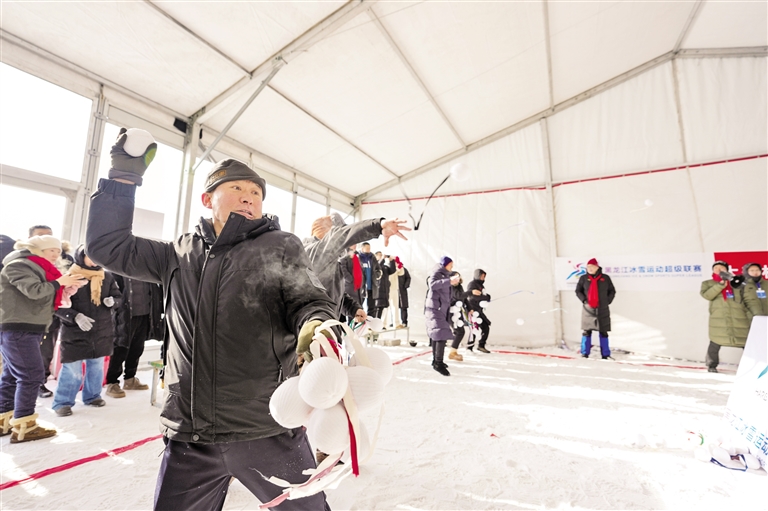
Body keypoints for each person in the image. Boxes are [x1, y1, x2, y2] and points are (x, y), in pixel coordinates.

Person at [86, 129, 338, 510]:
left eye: (256, 193)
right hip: (191, 435)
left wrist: (315, 324)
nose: (249, 197)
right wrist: (123, 176)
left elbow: (308, 298)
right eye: (237, 188)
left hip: (266, 427)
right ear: (208, 199)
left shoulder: (281, 245)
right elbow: (108, 247)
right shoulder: (176, 254)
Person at [0, 235, 86, 442]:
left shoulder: (41, 268)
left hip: (27, 327)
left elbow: (44, 295)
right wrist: (59, 282)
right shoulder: (19, 265)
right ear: (37, 249)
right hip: (19, 327)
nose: (56, 254)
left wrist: (66, 287)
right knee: (31, 375)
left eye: (58, 250)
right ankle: (25, 427)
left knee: (12, 374)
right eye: (51, 250)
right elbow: (34, 291)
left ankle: (4, 419)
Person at [303, 214, 410, 328]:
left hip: (326, 327)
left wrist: (353, 309)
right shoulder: (313, 252)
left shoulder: (331, 260)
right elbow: (341, 236)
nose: (347, 246)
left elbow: (334, 295)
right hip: (312, 329)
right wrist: (378, 226)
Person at [52, 246, 121, 416]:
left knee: (96, 367)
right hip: (75, 331)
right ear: (81, 257)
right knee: (72, 370)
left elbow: (119, 297)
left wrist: (113, 301)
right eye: (91, 256)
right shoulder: (70, 276)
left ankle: (92, 396)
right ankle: (62, 402)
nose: (95, 260)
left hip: (101, 330)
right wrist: (75, 316)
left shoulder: (107, 276)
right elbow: (57, 304)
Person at [28, 225, 76, 398]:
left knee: (46, 351)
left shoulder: (63, 260)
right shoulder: (24, 262)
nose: (45, 240)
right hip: (27, 316)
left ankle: (40, 384)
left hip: (53, 314)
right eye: (40, 236)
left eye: (49, 236)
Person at [106, 275, 164, 398]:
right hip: (124, 316)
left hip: (145, 314)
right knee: (120, 349)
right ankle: (112, 382)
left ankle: (130, 379)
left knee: (137, 349)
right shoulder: (117, 270)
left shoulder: (146, 270)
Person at [701, 261, 749, 373]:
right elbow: (707, 295)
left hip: (738, 317)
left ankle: (751, 364)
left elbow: (746, 297)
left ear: (727, 270)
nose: (718, 270)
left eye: (721, 268)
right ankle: (711, 365)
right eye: (716, 268)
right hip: (719, 318)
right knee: (715, 341)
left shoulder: (736, 282)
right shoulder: (707, 283)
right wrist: (720, 285)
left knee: (746, 342)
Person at [425, 257, 461, 376]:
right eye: (450, 264)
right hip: (435, 309)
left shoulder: (445, 274)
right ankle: (438, 363)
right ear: (444, 264)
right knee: (440, 335)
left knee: (438, 335)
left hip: (442, 309)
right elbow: (432, 285)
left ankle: (436, 360)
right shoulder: (436, 273)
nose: (452, 267)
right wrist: (449, 281)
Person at [575, 259, 615, 359]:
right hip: (588, 309)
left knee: (603, 331)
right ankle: (585, 353)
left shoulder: (605, 278)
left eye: (592, 267)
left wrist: (607, 301)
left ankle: (605, 354)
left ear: (597, 267)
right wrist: (584, 300)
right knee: (587, 331)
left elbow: (612, 291)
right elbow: (578, 291)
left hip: (602, 308)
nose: (590, 269)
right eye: (588, 267)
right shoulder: (583, 278)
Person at [466, 269, 492, 354]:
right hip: (473, 311)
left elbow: (483, 295)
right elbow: (472, 297)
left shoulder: (481, 286)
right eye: (482, 276)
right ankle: (469, 348)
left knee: (486, 326)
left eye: (484, 277)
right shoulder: (472, 284)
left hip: (479, 311)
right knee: (474, 329)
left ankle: (481, 346)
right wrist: (486, 297)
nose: (484, 278)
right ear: (478, 275)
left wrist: (487, 297)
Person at [380, 255, 405, 328]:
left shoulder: (395, 266)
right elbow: (391, 272)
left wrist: (399, 264)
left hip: (395, 289)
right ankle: (383, 324)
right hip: (387, 289)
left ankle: (396, 323)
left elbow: (401, 273)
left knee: (395, 307)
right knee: (386, 307)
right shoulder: (386, 267)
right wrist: (390, 261)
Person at [448, 271, 467, 362]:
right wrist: (471, 292)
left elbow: (464, 299)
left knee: (458, 332)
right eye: (454, 277)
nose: (457, 279)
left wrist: (469, 309)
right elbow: (458, 296)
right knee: (460, 332)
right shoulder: (450, 287)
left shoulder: (459, 287)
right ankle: (452, 352)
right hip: (452, 313)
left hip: (458, 312)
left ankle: (453, 352)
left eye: (458, 277)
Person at [359, 243, 380, 318]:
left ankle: (371, 322)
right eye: (367, 248)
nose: (369, 250)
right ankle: (358, 322)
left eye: (369, 248)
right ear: (362, 248)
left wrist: (376, 275)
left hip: (372, 286)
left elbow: (378, 269)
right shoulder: (358, 257)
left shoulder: (372, 257)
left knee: (372, 308)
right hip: (361, 287)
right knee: (358, 306)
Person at [373, 253, 397, 321]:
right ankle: (375, 323)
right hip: (378, 290)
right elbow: (377, 267)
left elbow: (392, 271)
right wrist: (382, 259)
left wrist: (392, 261)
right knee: (376, 309)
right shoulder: (374, 265)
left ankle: (378, 323)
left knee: (381, 308)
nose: (381, 256)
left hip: (384, 290)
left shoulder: (385, 267)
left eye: (381, 255)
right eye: (379, 255)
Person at [398, 263, 411, 327]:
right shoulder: (392, 269)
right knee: (393, 307)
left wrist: (405, 286)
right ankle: (395, 321)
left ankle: (404, 321)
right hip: (394, 290)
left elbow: (408, 278)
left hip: (402, 290)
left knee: (403, 307)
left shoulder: (403, 270)